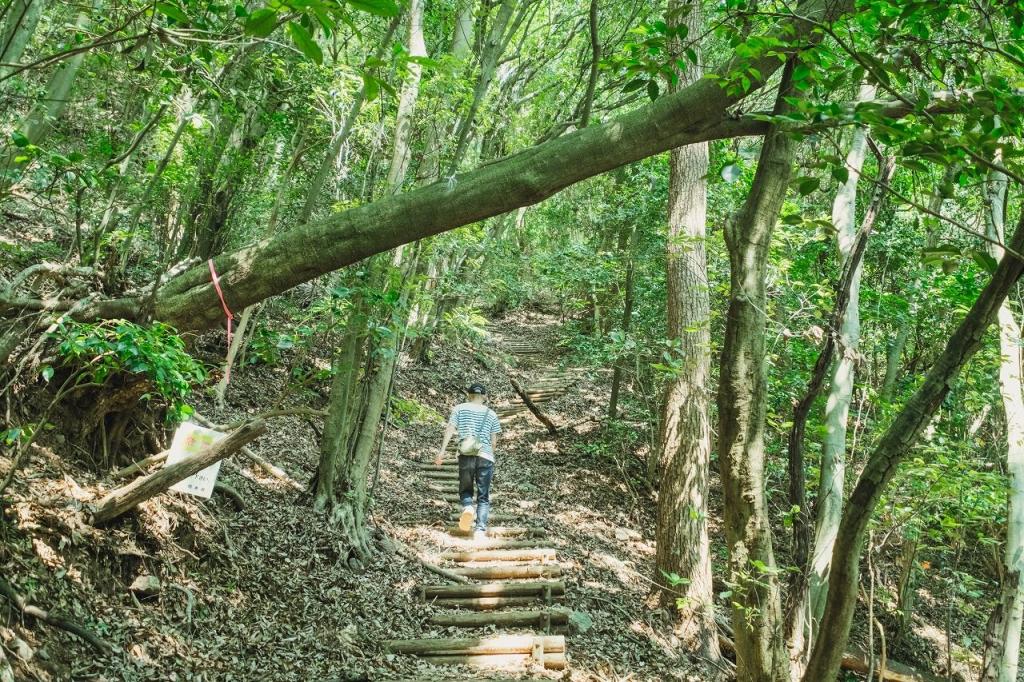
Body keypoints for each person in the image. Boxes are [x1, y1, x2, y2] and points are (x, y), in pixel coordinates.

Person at [436, 383, 501, 541]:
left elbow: (450, 429)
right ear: (484, 396)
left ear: (468, 395)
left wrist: (442, 451)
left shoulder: (459, 409)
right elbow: (493, 442)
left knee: (465, 489)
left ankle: (467, 507)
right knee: (483, 496)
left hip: (465, 454)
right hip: (485, 456)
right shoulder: (491, 413)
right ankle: (480, 530)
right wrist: (489, 453)